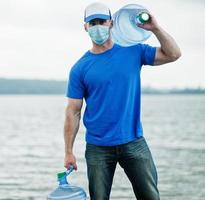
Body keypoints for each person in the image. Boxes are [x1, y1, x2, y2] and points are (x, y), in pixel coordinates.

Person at [63, 2, 181, 200]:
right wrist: (68, 152)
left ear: (111, 22)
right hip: (97, 147)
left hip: (134, 141)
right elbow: (73, 112)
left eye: (102, 21)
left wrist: (156, 28)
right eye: (93, 23)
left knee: (151, 197)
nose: (98, 26)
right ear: (86, 27)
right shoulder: (80, 68)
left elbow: (174, 54)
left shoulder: (133, 51)